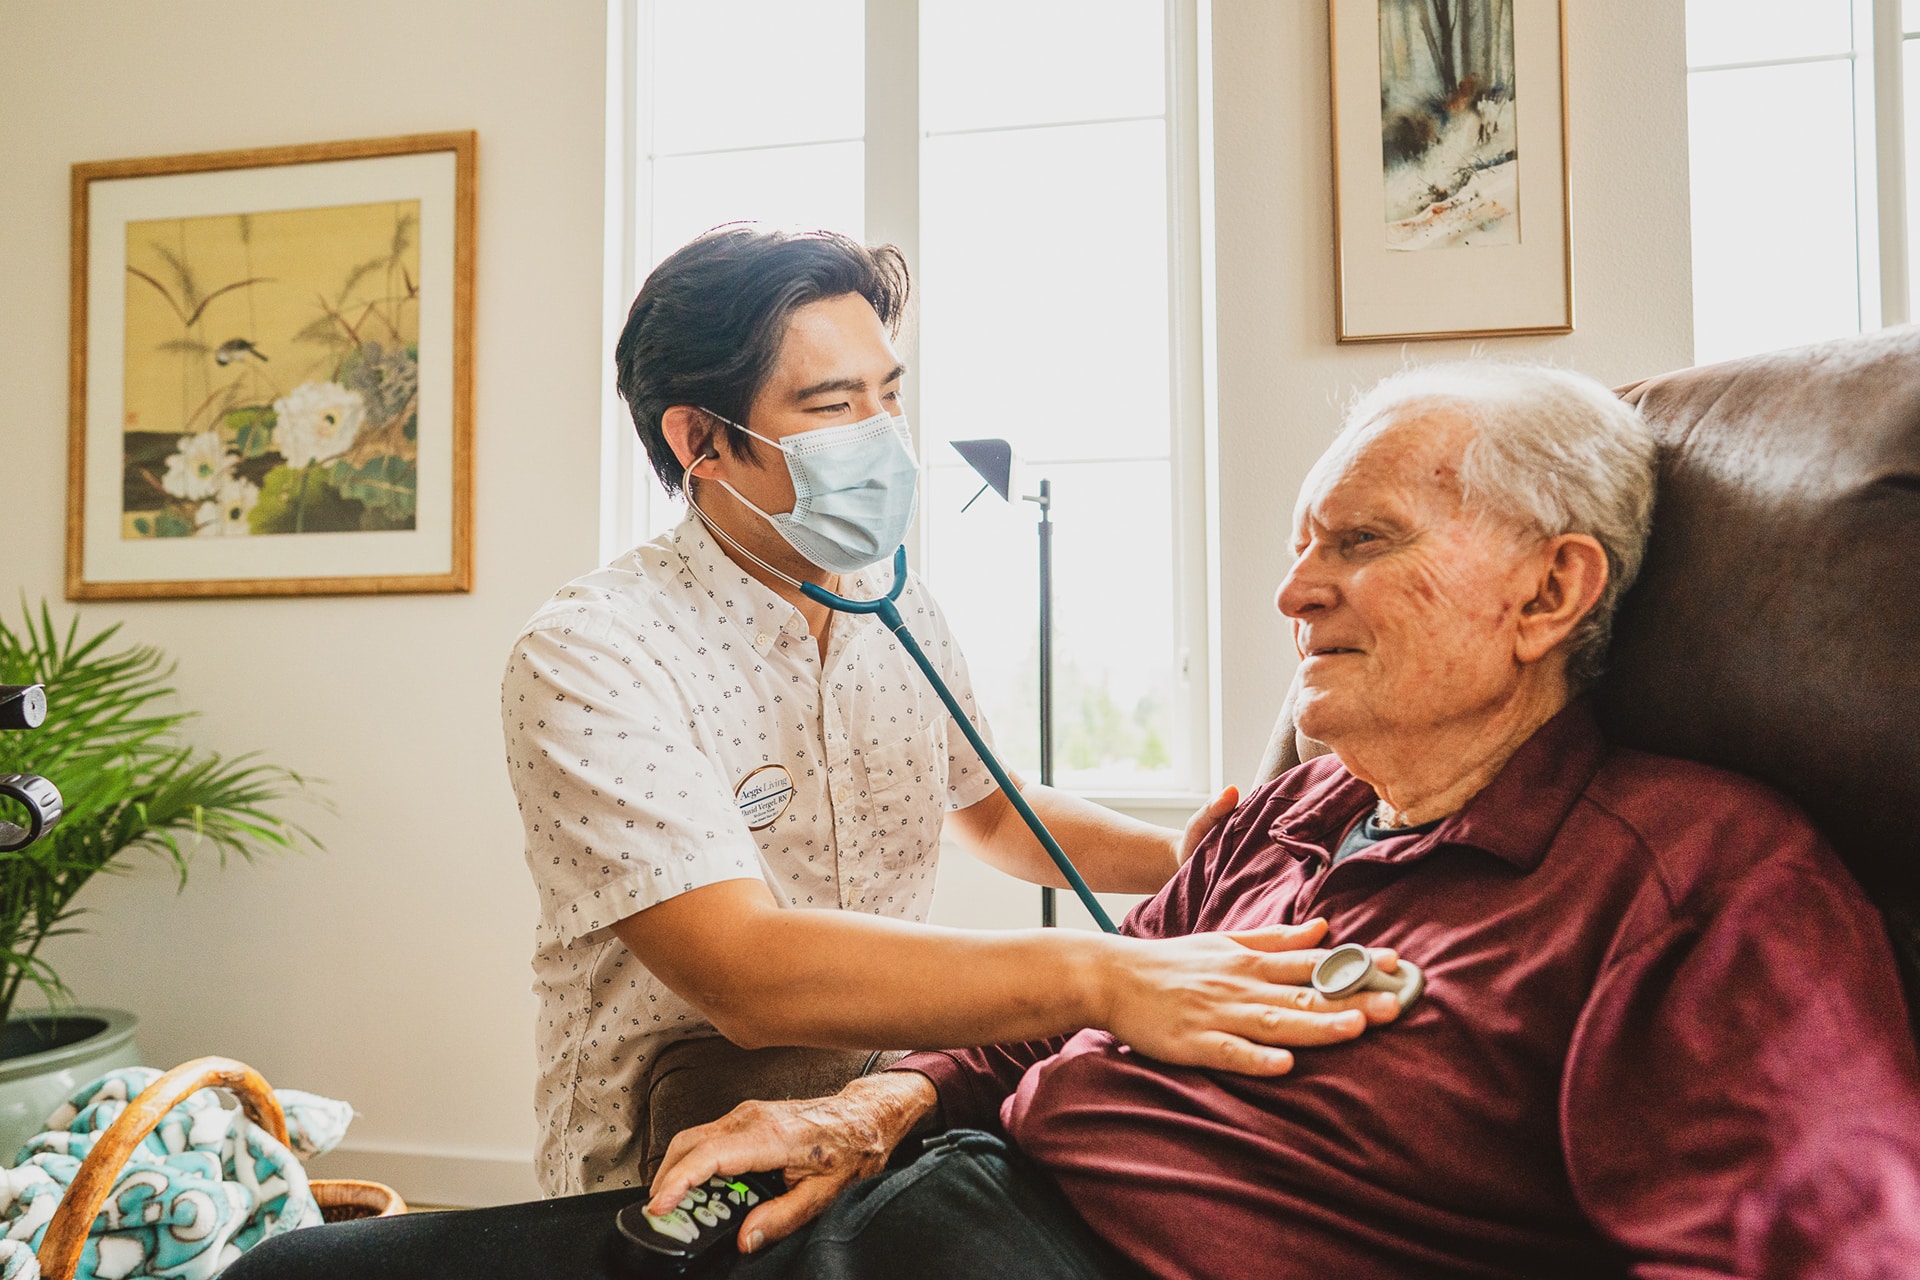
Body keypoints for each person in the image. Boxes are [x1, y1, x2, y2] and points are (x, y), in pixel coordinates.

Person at [644, 361, 1920, 1278]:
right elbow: (1060, 1017)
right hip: (919, 1215)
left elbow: (1824, 1246)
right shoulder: (1297, 813)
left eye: (1360, 540)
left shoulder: (1694, 876)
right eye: (1304, 542)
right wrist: (869, 1110)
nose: (1293, 591)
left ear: (1550, 590)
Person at [500, 225, 1400, 1198]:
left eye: (888, 394)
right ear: (700, 439)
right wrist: (1104, 975)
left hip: (887, 1101)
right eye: (833, 405)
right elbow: (744, 971)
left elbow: (993, 810)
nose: (882, 435)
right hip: (669, 1143)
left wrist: (1197, 862)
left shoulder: (890, 595)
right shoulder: (593, 652)